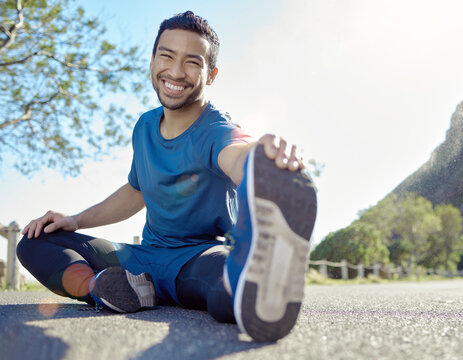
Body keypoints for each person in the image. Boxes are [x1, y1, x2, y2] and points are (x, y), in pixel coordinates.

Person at [17, 11, 317, 342]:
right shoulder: (145, 126)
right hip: (142, 260)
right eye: (167, 56)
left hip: (199, 257)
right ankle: (105, 288)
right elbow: (136, 191)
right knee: (36, 242)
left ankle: (253, 283)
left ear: (211, 75)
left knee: (231, 285)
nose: (175, 71)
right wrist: (74, 219)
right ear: (152, 60)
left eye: (192, 62)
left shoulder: (215, 129)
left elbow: (236, 152)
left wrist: (261, 162)